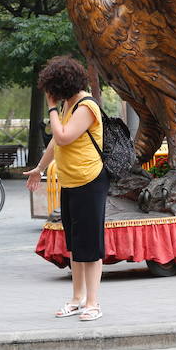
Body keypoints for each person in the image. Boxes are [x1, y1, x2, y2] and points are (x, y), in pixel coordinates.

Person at [23, 55, 107, 321]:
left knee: (90, 245)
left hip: (89, 181)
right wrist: (39, 168)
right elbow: (55, 144)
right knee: (75, 244)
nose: (51, 95)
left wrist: (50, 108)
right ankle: (77, 298)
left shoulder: (86, 105)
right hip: (70, 182)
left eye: (52, 90)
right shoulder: (69, 104)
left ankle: (93, 303)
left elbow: (63, 136)